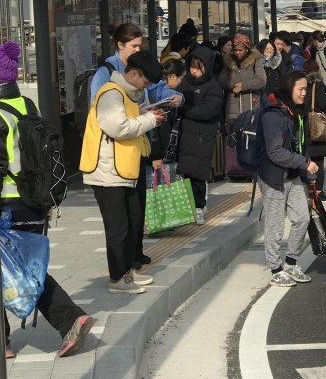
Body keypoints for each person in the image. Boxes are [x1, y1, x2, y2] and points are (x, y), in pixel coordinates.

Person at [0, 42, 95, 359]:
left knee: (10, 272)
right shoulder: (27, 106)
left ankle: (4, 342)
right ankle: (66, 321)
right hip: (35, 204)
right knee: (23, 269)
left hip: (6, 206)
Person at [89, 23, 183, 270]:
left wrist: (172, 99)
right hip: (112, 161)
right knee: (119, 223)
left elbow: (153, 92)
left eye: (140, 45)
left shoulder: (138, 74)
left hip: (132, 154)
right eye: (134, 45)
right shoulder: (108, 80)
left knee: (135, 213)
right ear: (120, 45)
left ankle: (131, 263)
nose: (137, 49)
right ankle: (120, 275)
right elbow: (112, 121)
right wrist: (148, 118)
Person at [80, 51, 165, 294]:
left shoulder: (125, 94)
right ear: (135, 74)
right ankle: (117, 279)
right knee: (118, 227)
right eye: (146, 82)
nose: (145, 87)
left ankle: (128, 271)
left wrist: (146, 115)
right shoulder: (110, 93)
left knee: (132, 221)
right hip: (107, 171)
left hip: (123, 169)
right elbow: (118, 127)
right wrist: (150, 120)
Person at [258, 71, 318, 287]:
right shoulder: (273, 115)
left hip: (292, 174)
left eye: (305, 88)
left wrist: (306, 169)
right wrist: (303, 163)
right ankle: (275, 269)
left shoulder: (294, 112)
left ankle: (291, 263)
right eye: (300, 89)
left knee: (302, 217)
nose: (304, 93)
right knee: (275, 225)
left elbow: (298, 144)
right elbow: (274, 152)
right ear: (288, 88)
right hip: (273, 176)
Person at [175, 47, 224, 225]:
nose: (194, 71)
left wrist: (184, 109)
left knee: (198, 175)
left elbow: (207, 111)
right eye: (191, 67)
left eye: (198, 67)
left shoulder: (214, 87)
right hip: (185, 136)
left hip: (202, 137)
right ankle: (189, 207)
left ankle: (199, 207)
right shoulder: (186, 81)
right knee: (185, 174)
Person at [303, 60, 326, 202]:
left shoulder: (302, 85)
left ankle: (309, 189)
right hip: (316, 126)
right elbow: (325, 105)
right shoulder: (318, 85)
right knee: (319, 161)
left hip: (305, 124)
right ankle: (319, 192)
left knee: (307, 159)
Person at [219, 34, 267, 124]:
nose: (237, 53)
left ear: (246, 49)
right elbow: (222, 80)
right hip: (232, 109)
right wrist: (233, 85)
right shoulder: (229, 62)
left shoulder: (255, 61)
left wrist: (243, 86)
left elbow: (261, 80)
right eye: (235, 50)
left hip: (251, 106)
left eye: (240, 50)